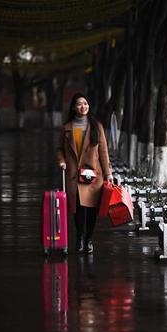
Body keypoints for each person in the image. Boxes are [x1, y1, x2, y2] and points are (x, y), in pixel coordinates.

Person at [56, 93, 113, 254]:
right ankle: (80, 237)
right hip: (74, 174)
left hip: (94, 175)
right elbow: (59, 149)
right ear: (73, 107)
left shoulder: (96, 126)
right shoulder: (66, 128)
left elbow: (103, 152)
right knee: (78, 209)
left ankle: (89, 239)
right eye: (80, 104)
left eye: (86, 104)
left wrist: (108, 173)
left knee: (92, 210)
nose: (83, 107)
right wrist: (61, 161)